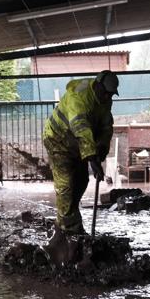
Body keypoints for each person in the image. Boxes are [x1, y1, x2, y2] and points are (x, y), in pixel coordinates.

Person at [43, 70, 118, 242]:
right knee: (66, 186)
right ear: (97, 86)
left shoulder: (104, 100)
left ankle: (67, 217)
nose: (108, 97)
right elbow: (81, 129)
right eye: (106, 93)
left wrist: (101, 150)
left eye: (111, 95)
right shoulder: (80, 97)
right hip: (58, 141)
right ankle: (70, 233)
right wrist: (92, 160)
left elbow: (106, 127)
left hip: (78, 146)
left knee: (81, 181)